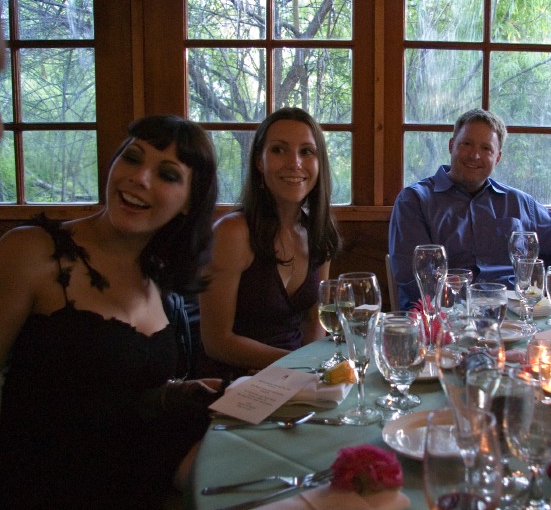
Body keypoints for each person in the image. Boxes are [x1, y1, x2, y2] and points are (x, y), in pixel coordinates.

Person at [0, 115, 223, 509]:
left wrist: (174, 392)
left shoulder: (159, 278)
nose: (140, 178)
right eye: (132, 158)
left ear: (190, 202)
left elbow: (113, 391)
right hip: (43, 488)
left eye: (167, 174)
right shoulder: (32, 252)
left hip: (137, 478)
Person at [198, 107, 340, 379]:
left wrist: (307, 375)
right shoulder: (232, 232)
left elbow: (315, 322)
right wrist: (298, 364)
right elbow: (216, 342)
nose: (294, 163)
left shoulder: (320, 231)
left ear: (319, 163)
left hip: (295, 380)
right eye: (278, 150)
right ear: (259, 162)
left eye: (306, 152)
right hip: (233, 382)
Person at [389, 108, 551, 310]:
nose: (475, 155)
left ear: (497, 157)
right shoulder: (414, 201)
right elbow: (415, 281)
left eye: (486, 148)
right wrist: (474, 308)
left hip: (515, 316)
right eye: (467, 144)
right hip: (444, 316)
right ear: (451, 145)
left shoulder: (519, 203)